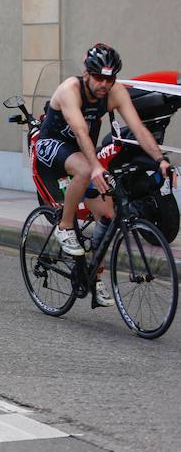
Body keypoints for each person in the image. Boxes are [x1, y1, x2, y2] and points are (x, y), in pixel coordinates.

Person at [35, 43, 172, 307]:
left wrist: (160, 159)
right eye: (99, 77)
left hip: (81, 154)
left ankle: (92, 276)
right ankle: (64, 228)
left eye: (110, 78)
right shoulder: (69, 90)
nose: (104, 84)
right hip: (52, 148)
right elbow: (80, 132)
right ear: (86, 73)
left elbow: (138, 129)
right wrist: (96, 165)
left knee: (108, 216)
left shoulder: (114, 92)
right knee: (87, 169)